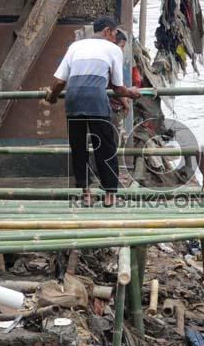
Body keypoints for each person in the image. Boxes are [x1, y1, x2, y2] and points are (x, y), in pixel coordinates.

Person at [45, 16, 141, 206]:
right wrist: (131, 93)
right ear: (107, 31)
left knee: (79, 148)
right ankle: (109, 195)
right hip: (96, 102)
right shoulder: (113, 49)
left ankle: (86, 193)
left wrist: (53, 97)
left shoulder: (75, 46)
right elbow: (118, 87)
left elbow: (59, 82)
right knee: (105, 147)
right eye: (114, 33)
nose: (114, 38)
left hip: (74, 102)